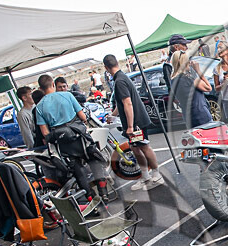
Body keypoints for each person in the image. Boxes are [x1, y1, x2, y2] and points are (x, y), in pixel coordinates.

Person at [35, 74, 111, 199]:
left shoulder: (39, 107)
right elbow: (83, 117)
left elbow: (45, 133)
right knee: (93, 161)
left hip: (63, 144)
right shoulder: (68, 95)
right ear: (53, 84)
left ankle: (91, 198)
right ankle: (103, 192)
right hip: (79, 137)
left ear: (41, 89)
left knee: (78, 171)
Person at [102, 55, 163, 191]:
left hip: (136, 122)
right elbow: (122, 102)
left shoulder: (119, 81)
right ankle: (146, 176)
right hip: (135, 121)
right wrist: (112, 115)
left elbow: (127, 103)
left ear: (106, 68)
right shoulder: (121, 78)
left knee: (144, 147)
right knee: (136, 148)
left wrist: (130, 126)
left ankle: (156, 174)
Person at [169, 51, 213, 128]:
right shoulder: (189, 78)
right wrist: (198, 71)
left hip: (188, 116)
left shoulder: (173, 80)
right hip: (201, 114)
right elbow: (208, 87)